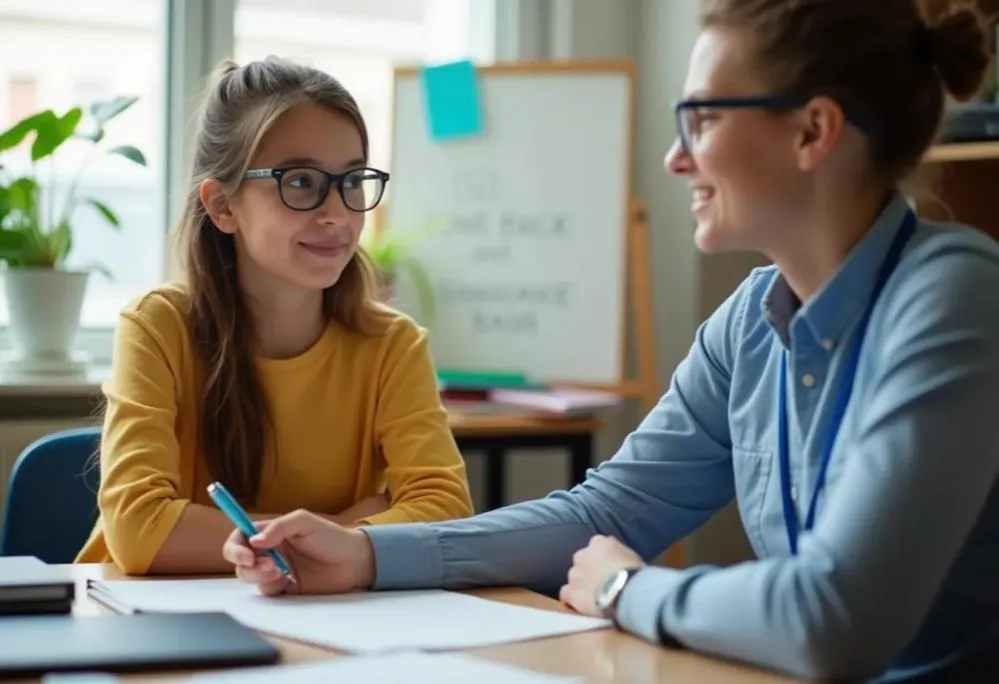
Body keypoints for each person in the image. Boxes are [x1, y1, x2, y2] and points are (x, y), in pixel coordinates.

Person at [222, 2, 999, 681]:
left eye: (701, 118)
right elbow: (610, 510)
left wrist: (626, 591)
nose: (674, 157)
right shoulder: (748, 322)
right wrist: (365, 555)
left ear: (811, 131)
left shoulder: (956, 297)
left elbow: (835, 619)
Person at [76, 57, 474, 576]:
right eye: (302, 182)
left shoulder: (392, 346)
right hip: (148, 620)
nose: (338, 213)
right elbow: (138, 529)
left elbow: (445, 512)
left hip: (322, 624)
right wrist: (345, 529)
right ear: (222, 206)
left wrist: (318, 538)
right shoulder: (157, 327)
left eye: (353, 180)